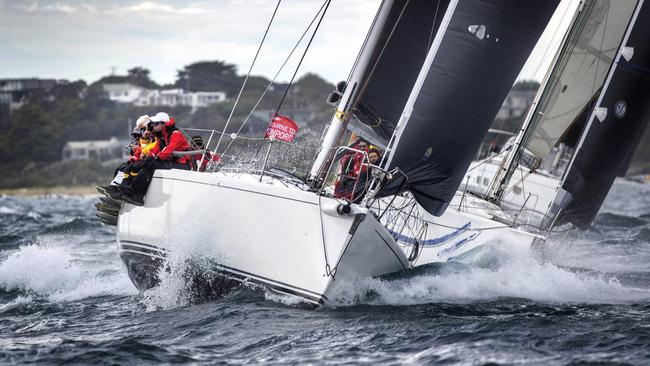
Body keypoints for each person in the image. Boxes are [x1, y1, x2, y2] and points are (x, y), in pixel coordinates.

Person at [111, 112, 190, 206]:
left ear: (163, 124)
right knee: (145, 163)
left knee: (153, 164)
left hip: (183, 164)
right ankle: (130, 192)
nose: (154, 126)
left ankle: (133, 191)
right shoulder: (162, 135)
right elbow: (157, 148)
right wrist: (150, 156)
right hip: (172, 161)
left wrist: (157, 157)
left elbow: (169, 149)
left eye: (156, 124)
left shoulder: (175, 134)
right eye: (153, 124)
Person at [96, 115, 150, 196]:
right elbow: (137, 155)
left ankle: (119, 190)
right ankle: (114, 187)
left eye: (138, 135)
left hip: (145, 163)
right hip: (138, 161)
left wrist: (138, 148)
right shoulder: (140, 141)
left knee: (127, 168)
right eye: (135, 136)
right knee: (120, 168)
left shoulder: (149, 137)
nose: (136, 138)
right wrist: (133, 150)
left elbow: (148, 150)